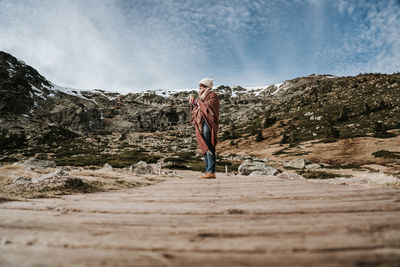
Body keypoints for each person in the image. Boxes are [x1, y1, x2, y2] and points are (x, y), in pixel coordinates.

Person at [189, 78, 220, 179]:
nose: (199, 88)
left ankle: (211, 171)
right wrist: (193, 104)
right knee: (204, 146)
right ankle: (208, 171)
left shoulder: (212, 95)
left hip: (208, 123)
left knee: (208, 145)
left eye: (201, 86)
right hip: (201, 123)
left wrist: (199, 103)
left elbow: (210, 106)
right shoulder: (201, 97)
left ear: (206, 86)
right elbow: (197, 110)